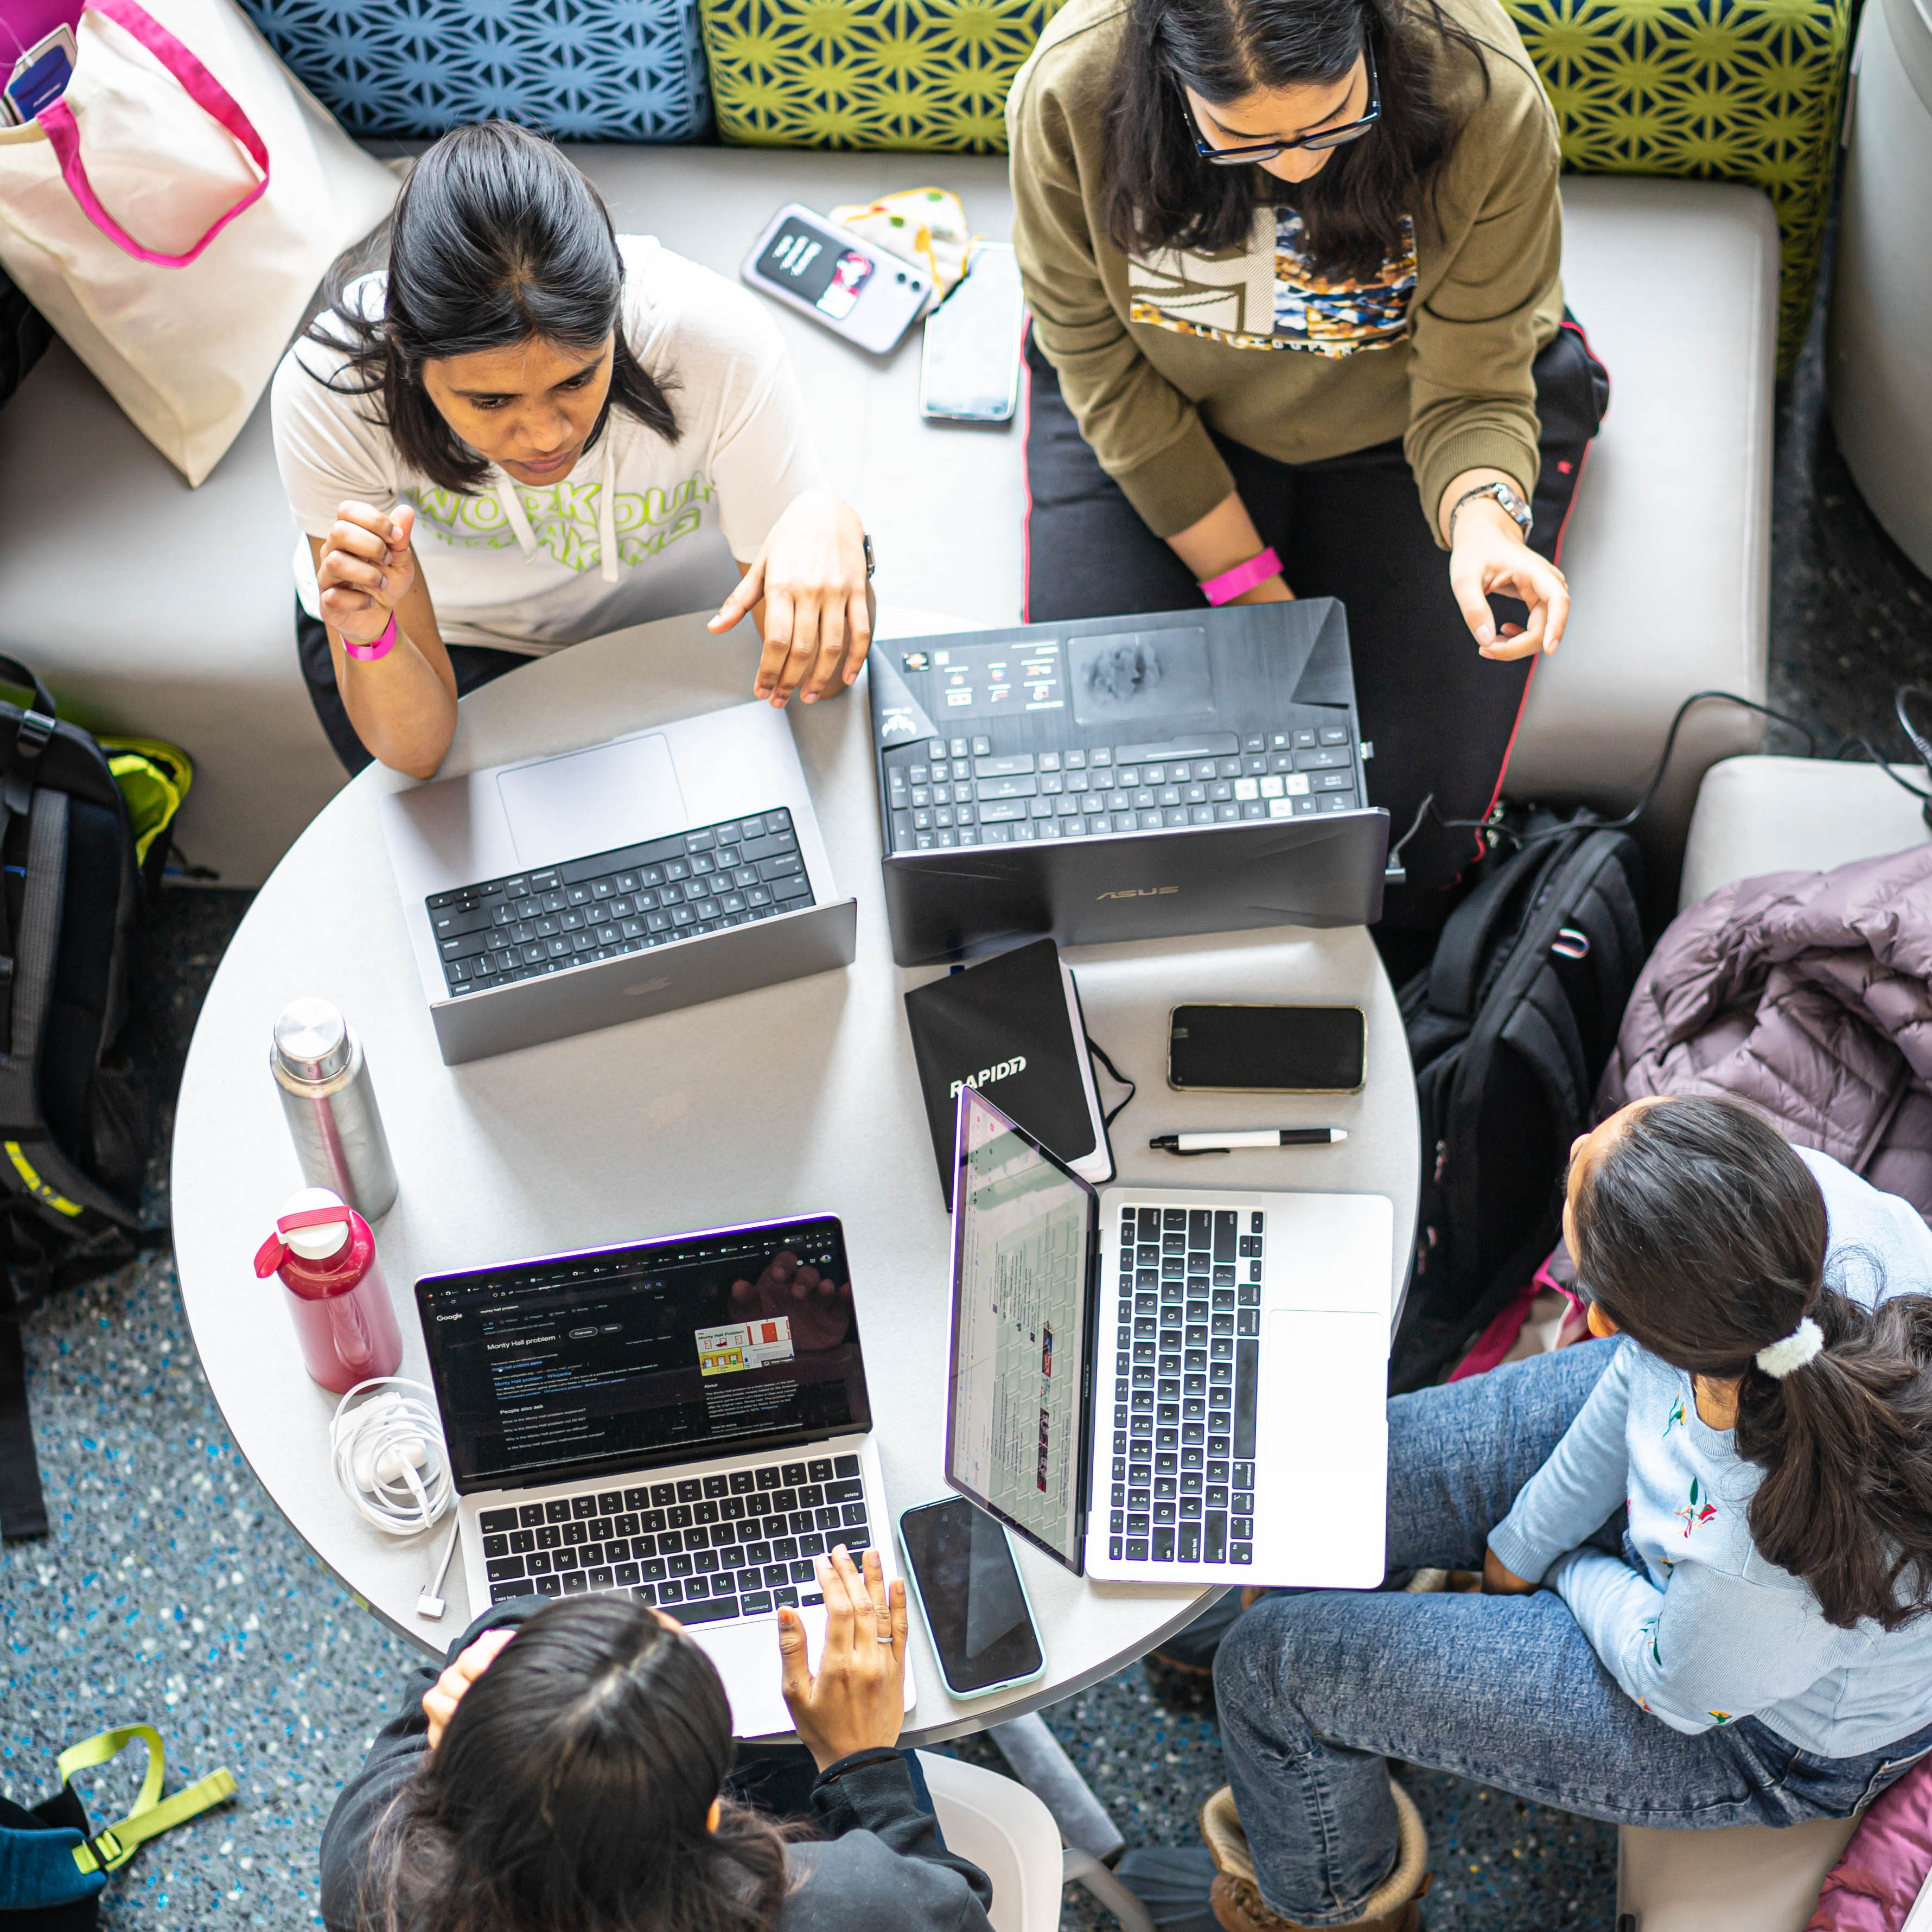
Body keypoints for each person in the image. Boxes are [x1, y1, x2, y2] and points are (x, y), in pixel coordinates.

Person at [1181, 1095, 1932, 1932]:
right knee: (1316, 1489)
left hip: (1754, 1726)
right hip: (1708, 1501)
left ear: (1607, 1320)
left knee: (1267, 1668)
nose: (1580, 1138)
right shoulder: (1789, 1212)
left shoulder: (1754, 1557)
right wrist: (1514, 1550)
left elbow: (1671, 1681)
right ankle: (1347, 1668)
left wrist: (1561, 1571)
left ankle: (1333, 1909)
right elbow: (1637, 1387)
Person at [1007, 0, 1608, 949]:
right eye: (1246, 139)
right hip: (1161, 407)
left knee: (1403, 821)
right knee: (1108, 790)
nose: (1296, 163)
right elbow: (1092, 355)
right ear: (1170, 73)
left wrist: (1485, 525)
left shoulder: (1479, 93)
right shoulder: (1074, 90)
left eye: (1334, 121)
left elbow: (1475, 382)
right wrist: (1244, 580)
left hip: (1397, 422)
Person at [272, 121, 873, 781]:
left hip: (662, 623)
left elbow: (825, 681)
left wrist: (828, 521)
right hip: (452, 640)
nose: (547, 436)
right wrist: (371, 632)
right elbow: (418, 754)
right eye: (491, 401)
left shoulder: (712, 343)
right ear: (411, 360)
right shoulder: (331, 391)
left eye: (577, 379)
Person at [320, 1545, 995, 1932]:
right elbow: (952, 1906)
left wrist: (501, 1657)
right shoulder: (849, 1904)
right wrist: (860, 1765)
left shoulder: (370, 1868)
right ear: (713, 1810)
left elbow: (472, 1647)